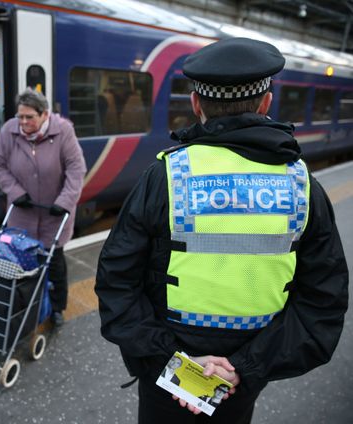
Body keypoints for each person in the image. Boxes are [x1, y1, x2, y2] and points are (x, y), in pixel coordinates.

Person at [95, 37, 348, 424]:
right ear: (266, 103)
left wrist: (174, 363)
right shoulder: (304, 187)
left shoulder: (164, 178)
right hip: (241, 384)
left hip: (167, 378)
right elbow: (322, 304)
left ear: (196, 104)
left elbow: (116, 282)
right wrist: (243, 368)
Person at [0, 89, 87, 327]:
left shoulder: (63, 131)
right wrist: (15, 192)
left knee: (54, 264)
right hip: (22, 214)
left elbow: (76, 170)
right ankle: (26, 305)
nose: (22, 122)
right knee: (21, 263)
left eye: (29, 117)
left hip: (53, 216)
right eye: (20, 117)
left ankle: (56, 307)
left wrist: (64, 202)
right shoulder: (9, 131)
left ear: (44, 114)